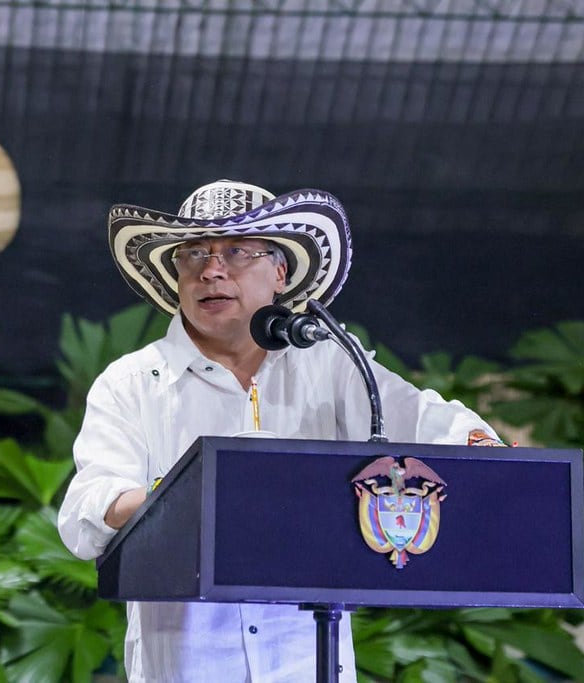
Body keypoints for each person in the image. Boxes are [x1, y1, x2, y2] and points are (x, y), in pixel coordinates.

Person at [56, 180, 504, 682]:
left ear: (280, 272)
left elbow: (429, 423)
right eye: (194, 253)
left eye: (238, 251)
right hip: (186, 666)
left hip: (309, 662)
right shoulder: (131, 383)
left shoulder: (331, 363)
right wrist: (185, 495)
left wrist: (498, 463)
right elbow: (85, 516)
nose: (211, 269)